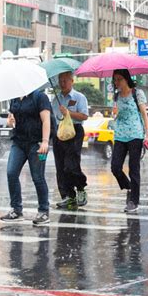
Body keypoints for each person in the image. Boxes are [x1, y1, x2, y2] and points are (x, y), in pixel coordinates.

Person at [0, 89, 52, 225]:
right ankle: (16, 210)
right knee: (11, 173)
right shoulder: (15, 98)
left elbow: (46, 120)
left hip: (37, 144)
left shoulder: (40, 97)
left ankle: (43, 211)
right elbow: (11, 119)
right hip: (19, 142)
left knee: (38, 177)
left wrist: (45, 142)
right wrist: (10, 122)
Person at [111, 69, 148, 213]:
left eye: (119, 79)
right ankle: (129, 187)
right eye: (115, 79)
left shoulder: (137, 93)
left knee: (134, 169)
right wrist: (114, 114)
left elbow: (144, 115)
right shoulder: (116, 97)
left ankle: (134, 201)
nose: (117, 82)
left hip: (135, 135)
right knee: (115, 167)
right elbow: (115, 116)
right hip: (120, 135)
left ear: (126, 79)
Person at [52, 71, 89, 210]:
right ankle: (67, 196)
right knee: (60, 167)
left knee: (71, 164)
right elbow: (52, 117)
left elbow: (84, 116)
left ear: (72, 81)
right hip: (59, 133)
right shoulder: (55, 99)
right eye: (60, 81)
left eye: (65, 80)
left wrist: (68, 112)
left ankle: (80, 188)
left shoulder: (79, 97)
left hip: (74, 131)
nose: (63, 83)